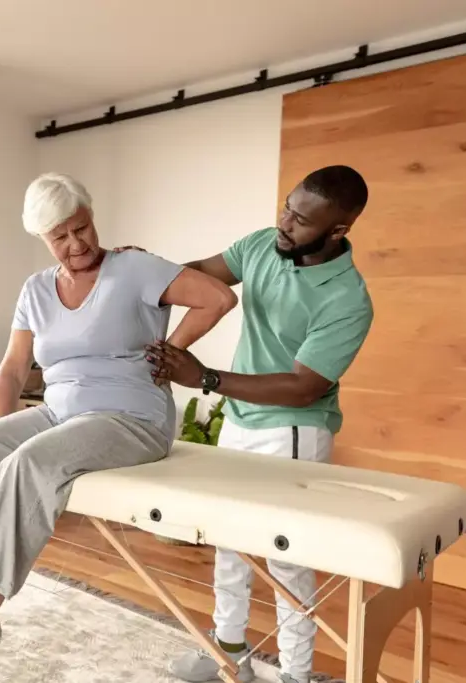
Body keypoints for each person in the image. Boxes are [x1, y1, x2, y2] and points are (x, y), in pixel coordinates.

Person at [0, 172, 239, 683]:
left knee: (29, 461)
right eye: (60, 237)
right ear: (42, 238)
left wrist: (169, 354)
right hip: (59, 412)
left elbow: (218, 297)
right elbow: (14, 369)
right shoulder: (36, 289)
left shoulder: (134, 267)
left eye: (81, 227)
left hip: (131, 417)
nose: (76, 243)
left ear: (91, 216)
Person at [136, 165, 374, 683]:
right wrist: (142, 271)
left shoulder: (347, 299)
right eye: (286, 207)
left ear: (338, 230)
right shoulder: (266, 243)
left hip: (293, 430)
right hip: (240, 420)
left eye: (301, 220)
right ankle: (229, 656)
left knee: (286, 560)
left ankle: (295, 673)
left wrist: (206, 379)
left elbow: (303, 386)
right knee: (229, 543)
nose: (285, 223)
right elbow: (200, 271)